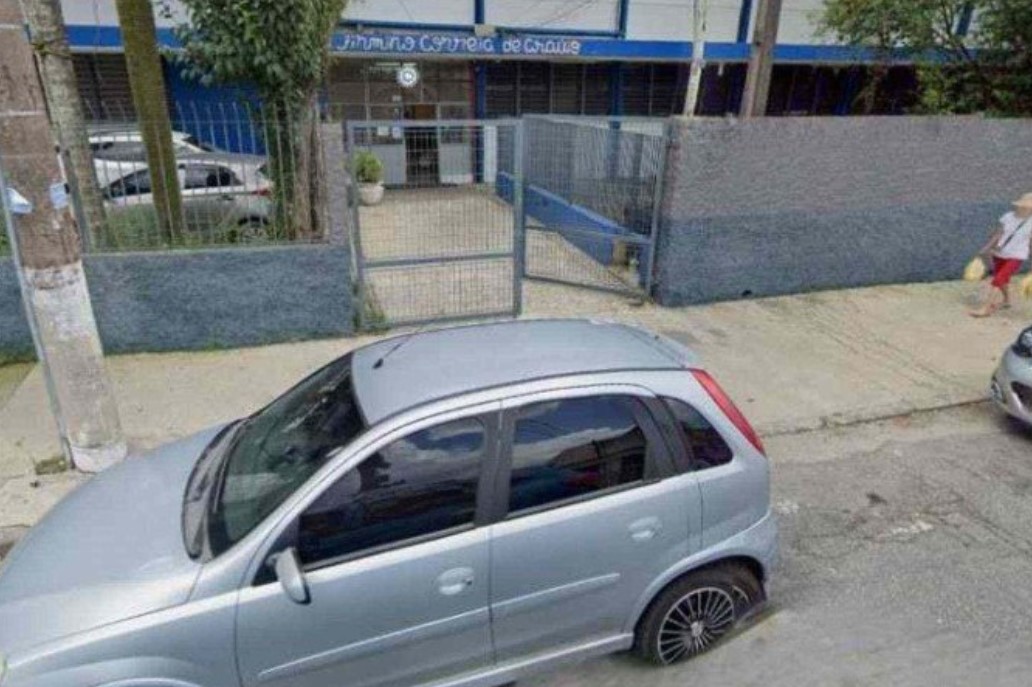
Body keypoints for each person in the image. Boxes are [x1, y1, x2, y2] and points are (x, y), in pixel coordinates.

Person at [970, 192, 1032, 318]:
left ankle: (985, 309)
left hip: (1017, 255)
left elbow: (1031, 241)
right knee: (1002, 279)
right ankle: (1007, 301)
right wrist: (987, 248)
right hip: (1000, 252)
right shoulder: (1008, 217)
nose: (1024, 208)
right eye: (1023, 206)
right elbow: (998, 234)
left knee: (997, 280)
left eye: (1027, 207)